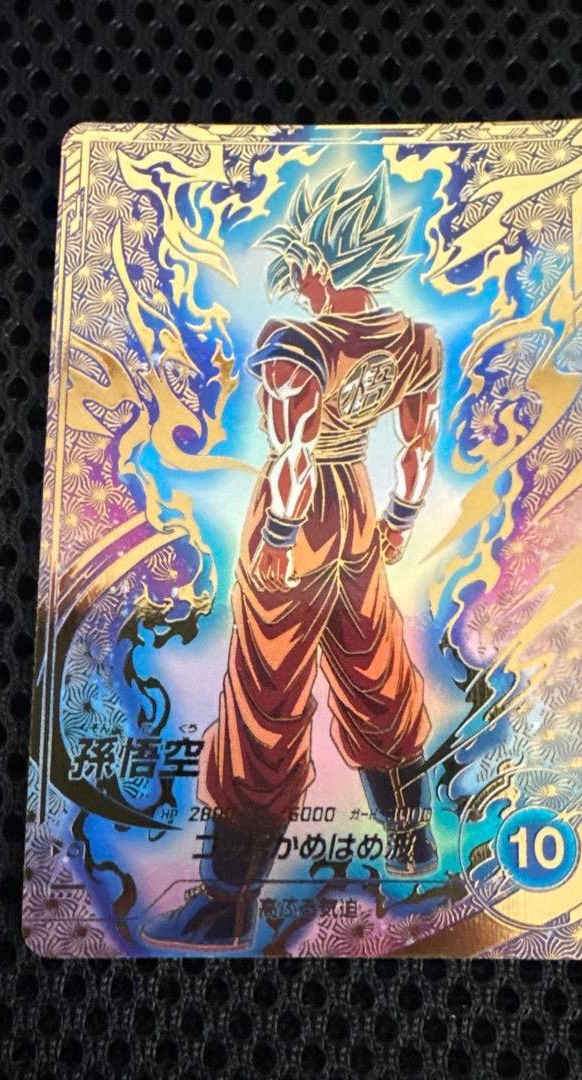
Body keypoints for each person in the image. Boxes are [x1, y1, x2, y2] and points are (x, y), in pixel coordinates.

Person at [142, 164, 443, 950]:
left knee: (264, 700)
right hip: (359, 516)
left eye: (303, 263)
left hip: (299, 516)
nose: (298, 280)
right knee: (375, 670)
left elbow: (294, 454)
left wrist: (278, 538)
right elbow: (417, 447)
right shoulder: (414, 342)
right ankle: (413, 843)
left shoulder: (297, 342)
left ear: (324, 262)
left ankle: (224, 905)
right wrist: (399, 520)